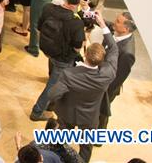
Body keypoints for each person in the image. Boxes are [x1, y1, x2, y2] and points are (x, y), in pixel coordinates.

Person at [47, 11, 118, 162]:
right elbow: (114, 48)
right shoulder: (108, 73)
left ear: (86, 55)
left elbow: (52, 95)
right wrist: (103, 25)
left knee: (59, 142)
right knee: (86, 148)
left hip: (67, 114)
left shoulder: (69, 74)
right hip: (90, 118)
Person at [29, 0, 90, 121]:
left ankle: (50, 105)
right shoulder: (76, 22)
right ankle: (37, 111)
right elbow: (77, 46)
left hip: (48, 50)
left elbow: (38, 27)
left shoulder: (48, 8)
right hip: (63, 58)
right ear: (79, 2)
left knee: (53, 77)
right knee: (52, 86)